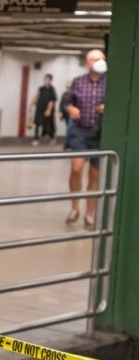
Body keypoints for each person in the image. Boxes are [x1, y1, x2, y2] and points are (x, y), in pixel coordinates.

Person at [65, 49, 107, 228]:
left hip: (99, 132)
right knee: (77, 168)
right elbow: (67, 102)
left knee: (94, 175)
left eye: (103, 59)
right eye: (97, 59)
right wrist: (70, 109)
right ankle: (74, 207)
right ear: (88, 63)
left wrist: (107, 108)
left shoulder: (111, 83)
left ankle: (90, 213)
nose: (101, 62)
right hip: (80, 131)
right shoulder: (78, 82)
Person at [31, 74, 57, 146]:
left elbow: (52, 101)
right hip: (39, 109)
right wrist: (31, 104)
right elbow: (37, 96)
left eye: (48, 79)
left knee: (50, 125)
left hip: (48, 111)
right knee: (37, 124)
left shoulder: (52, 89)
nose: (46, 80)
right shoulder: (41, 88)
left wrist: (48, 110)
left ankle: (52, 138)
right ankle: (36, 139)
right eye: (45, 79)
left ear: (51, 80)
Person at [59, 80, 73, 149]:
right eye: (68, 87)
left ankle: (67, 145)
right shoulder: (64, 94)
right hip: (66, 115)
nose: (68, 88)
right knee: (69, 128)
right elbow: (61, 104)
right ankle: (69, 144)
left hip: (72, 115)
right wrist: (60, 112)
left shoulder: (75, 94)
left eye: (70, 87)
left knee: (69, 129)